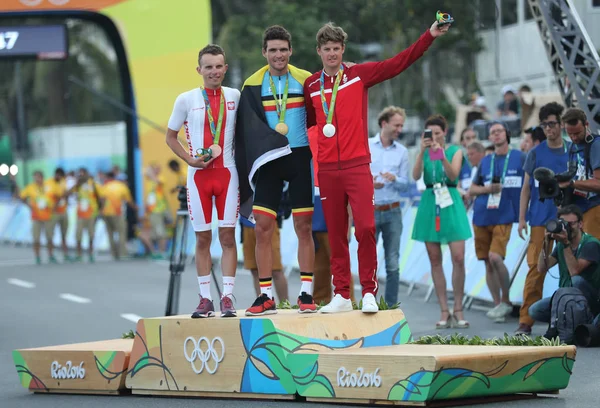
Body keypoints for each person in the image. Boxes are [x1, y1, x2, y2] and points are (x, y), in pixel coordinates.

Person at [304, 19, 450, 314]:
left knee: (366, 228)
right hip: (329, 169)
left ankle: (369, 291)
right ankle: (342, 294)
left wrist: (429, 36)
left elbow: (398, 63)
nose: (332, 54)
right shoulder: (310, 85)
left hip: (358, 164)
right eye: (327, 49)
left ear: (343, 49)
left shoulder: (358, 75)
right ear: (319, 51)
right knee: (336, 233)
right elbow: (310, 125)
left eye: (336, 48)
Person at [235, 26, 317, 316]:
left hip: (299, 158)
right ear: (264, 52)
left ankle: (306, 293)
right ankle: (265, 295)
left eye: (283, 49)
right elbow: (245, 129)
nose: (278, 55)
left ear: (290, 51)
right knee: (262, 228)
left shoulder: (306, 79)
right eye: (273, 50)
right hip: (270, 161)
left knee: (304, 227)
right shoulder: (253, 83)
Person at [165, 44, 241, 318]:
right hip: (198, 177)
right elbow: (170, 137)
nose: (214, 71)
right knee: (202, 239)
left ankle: (228, 298)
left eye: (219, 66)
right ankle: (205, 299)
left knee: (228, 237)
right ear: (199, 70)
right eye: (208, 67)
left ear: (225, 68)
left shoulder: (235, 96)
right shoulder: (185, 99)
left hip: (227, 174)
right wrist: (189, 159)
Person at [412, 114, 472, 328]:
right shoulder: (425, 152)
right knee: (434, 259)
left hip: (450, 200)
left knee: (458, 257)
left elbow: (453, 175)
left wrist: (440, 154)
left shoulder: (455, 151)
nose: (434, 137)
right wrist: (422, 151)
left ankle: (458, 308)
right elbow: (415, 175)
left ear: (445, 133)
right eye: (430, 134)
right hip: (430, 202)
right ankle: (444, 310)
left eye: (438, 133)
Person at [516, 102, 568, 335]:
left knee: (568, 269)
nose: (549, 129)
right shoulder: (535, 153)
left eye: (552, 124)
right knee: (535, 270)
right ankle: (525, 322)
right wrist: (521, 219)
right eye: (545, 125)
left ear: (561, 124)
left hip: (567, 219)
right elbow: (526, 188)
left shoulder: (571, 149)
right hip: (539, 220)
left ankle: (565, 318)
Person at [469, 122, 526, 322]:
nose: (496, 135)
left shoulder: (520, 157)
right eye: (492, 132)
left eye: (499, 131)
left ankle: (506, 301)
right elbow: (472, 190)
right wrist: (487, 189)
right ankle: (497, 306)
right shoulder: (486, 161)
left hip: (505, 215)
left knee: (495, 257)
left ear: (507, 134)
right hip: (482, 215)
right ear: (490, 138)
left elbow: (529, 185)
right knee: (487, 262)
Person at [369, 106, 410, 306]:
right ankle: (369, 302)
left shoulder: (402, 152)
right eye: (396, 125)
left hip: (393, 210)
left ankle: (391, 306)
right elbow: (357, 178)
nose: (399, 129)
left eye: (401, 125)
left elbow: (406, 184)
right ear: (384, 124)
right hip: (371, 209)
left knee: (393, 261)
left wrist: (395, 179)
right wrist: (371, 182)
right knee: (369, 262)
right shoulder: (366, 146)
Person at [532, 205, 600, 322]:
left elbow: (574, 271)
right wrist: (546, 242)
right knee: (535, 310)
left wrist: (565, 244)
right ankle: (566, 323)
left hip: (591, 300)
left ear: (580, 224)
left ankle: (586, 319)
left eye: (571, 224)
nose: (567, 228)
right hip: (567, 297)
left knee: (576, 281)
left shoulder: (590, 243)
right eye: (564, 223)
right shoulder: (560, 245)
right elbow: (541, 268)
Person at [558, 108, 600, 239]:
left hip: (594, 206)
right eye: (570, 134)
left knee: (592, 254)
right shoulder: (572, 147)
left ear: (586, 125)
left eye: (577, 133)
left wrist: (571, 183)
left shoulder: (596, 145)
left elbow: (598, 183)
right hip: (578, 209)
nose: (574, 137)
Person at [241, 191, 290, 303]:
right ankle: (263, 302)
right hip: (246, 221)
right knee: (254, 269)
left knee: (276, 269)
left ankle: (285, 304)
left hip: (268, 220)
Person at [18, 171, 57, 264]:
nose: (36, 179)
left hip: (48, 216)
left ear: (42, 177)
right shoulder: (30, 187)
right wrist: (28, 205)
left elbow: (58, 196)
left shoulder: (49, 186)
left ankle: (50, 255)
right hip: (36, 216)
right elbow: (22, 196)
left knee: (50, 237)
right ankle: (37, 257)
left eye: (38, 177)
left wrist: (54, 206)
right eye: (35, 178)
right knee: (36, 238)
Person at [99, 171, 136, 260]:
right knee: (121, 232)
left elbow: (102, 200)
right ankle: (122, 253)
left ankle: (113, 253)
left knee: (110, 233)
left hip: (106, 213)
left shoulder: (105, 186)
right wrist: (136, 208)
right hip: (118, 213)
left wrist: (101, 210)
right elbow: (128, 201)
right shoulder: (121, 186)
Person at [68, 168, 101, 263]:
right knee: (78, 235)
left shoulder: (94, 184)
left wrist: (100, 210)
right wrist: (77, 184)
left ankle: (91, 254)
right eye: (80, 174)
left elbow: (101, 197)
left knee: (91, 235)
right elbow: (67, 193)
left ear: (87, 174)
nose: (82, 176)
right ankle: (79, 254)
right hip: (80, 215)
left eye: (83, 174)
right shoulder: (78, 185)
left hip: (91, 214)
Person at [144, 163, 169, 258]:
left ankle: (162, 252)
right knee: (153, 233)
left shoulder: (160, 178)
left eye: (156, 169)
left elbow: (159, 182)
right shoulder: (149, 183)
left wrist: (152, 174)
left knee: (161, 232)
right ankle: (156, 252)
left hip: (159, 210)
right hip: (152, 211)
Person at [47, 168, 70, 262]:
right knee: (50, 234)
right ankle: (51, 254)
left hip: (63, 211)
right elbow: (52, 195)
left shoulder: (64, 182)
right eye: (58, 175)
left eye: (61, 176)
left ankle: (65, 254)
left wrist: (66, 195)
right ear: (55, 175)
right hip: (53, 212)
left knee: (64, 234)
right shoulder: (49, 183)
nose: (59, 177)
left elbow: (65, 194)